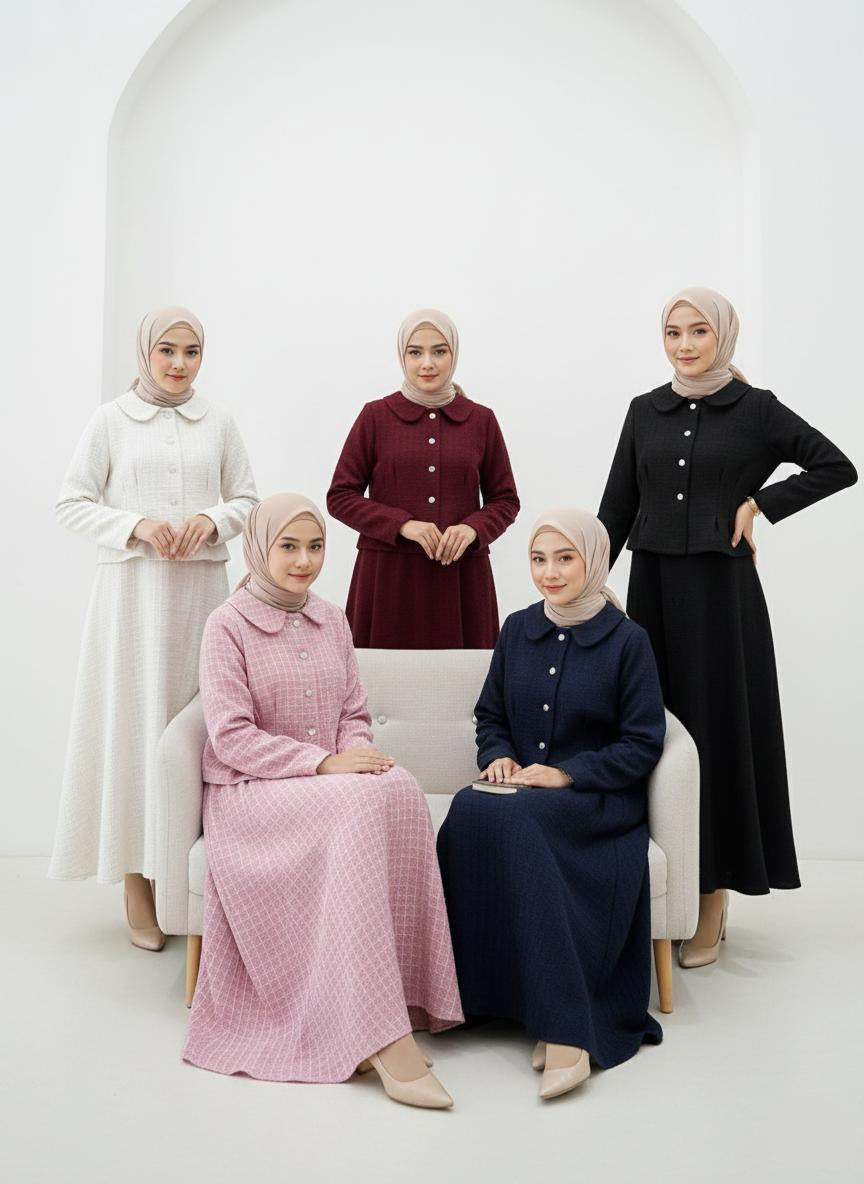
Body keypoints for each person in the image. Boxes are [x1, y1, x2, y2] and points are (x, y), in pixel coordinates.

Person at [598, 287, 857, 966]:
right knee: (652, 730)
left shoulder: (756, 409)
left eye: (699, 331)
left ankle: (712, 896)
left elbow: (837, 466)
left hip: (722, 596)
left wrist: (758, 504)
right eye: (673, 332)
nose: (685, 345)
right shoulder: (643, 410)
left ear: (724, 336)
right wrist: (590, 579)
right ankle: (660, 888)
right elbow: (617, 505)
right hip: (652, 590)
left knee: (715, 732)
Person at [182, 494, 463, 1108]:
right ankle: (380, 1037)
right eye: (289, 546)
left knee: (400, 788)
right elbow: (230, 736)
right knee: (357, 804)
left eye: (315, 547)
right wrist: (324, 765)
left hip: (327, 785)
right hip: (252, 791)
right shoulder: (226, 625)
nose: (304, 561)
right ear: (259, 548)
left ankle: (405, 999)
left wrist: (357, 758)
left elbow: (353, 713)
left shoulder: (332, 619)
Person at [437, 509, 664, 1101]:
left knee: (521, 821)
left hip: (596, 801)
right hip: (522, 791)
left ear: (594, 560)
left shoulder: (628, 641)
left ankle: (566, 1025)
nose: (550, 573)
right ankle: (483, 998)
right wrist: (498, 757)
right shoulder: (517, 629)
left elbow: (643, 743)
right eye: (539, 560)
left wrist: (568, 774)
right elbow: (490, 714)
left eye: (565, 558)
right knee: (467, 809)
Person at [50, 308, 257, 949]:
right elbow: (71, 501)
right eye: (167, 350)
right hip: (132, 602)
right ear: (145, 352)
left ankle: (192, 876)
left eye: (191, 351)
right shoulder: (110, 420)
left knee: (197, 726)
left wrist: (211, 519)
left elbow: (248, 500)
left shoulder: (218, 421)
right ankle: (137, 879)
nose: (178, 363)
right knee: (137, 730)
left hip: (200, 598)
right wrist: (134, 525)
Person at [327, 308, 519, 647]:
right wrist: (402, 524)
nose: (427, 363)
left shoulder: (481, 420)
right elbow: (340, 496)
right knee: (382, 676)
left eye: (439, 351)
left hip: (461, 578)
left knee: (463, 676)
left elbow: (505, 500)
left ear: (454, 354)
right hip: (388, 577)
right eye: (415, 352)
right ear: (402, 356)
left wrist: (473, 528)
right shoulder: (375, 416)